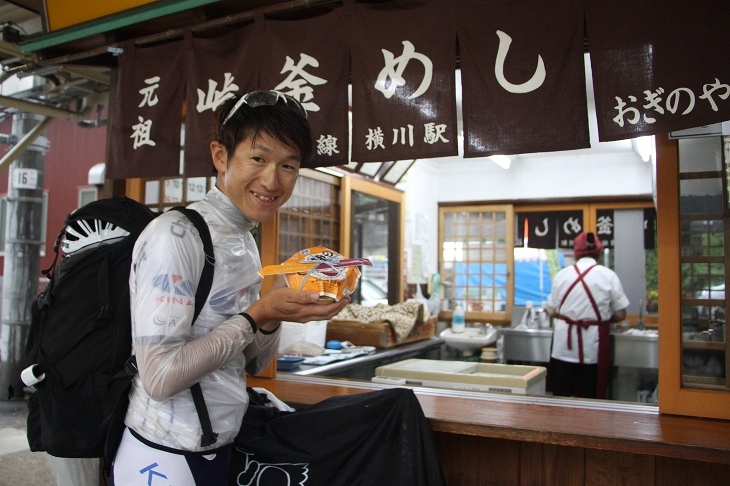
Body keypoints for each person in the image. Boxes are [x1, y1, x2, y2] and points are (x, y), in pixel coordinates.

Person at [110, 90, 351, 485]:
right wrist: (258, 313)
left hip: (221, 446)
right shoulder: (176, 236)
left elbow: (252, 362)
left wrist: (275, 317)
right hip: (164, 454)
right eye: (258, 158)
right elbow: (160, 378)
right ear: (221, 157)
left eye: (288, 165)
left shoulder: (244, 241)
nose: (273, 180)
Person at [547, 231, 629, 399]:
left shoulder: (562, 275)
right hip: (593, 345)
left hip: (564, 345)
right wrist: (602, 318)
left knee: (561, 394)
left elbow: (552, 311)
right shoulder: (608, 275)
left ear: (576, 252)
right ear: (598, 251)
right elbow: (621, 314)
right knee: (589, 396)